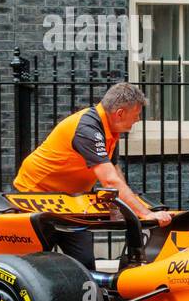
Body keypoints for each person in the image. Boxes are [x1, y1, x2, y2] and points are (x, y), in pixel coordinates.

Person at [12, 82, 170, 269]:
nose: (138, 119)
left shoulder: (110, 129)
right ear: (120, 113)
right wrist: (145, 213)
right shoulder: (87, 128)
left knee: (85, 263)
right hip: (36, 196)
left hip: (70, 202)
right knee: (33, 266)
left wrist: (120, 206)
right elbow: (109, 179)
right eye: (136, 115)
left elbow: (114, 171)